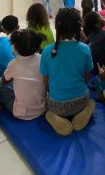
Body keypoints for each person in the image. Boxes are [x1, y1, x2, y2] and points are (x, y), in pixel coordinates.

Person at [40, 8, 95, 136]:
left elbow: (46, 84)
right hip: (81, 101)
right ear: (78, 28)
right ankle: (86, 110)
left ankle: (52, 115)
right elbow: (87, 79)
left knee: (48, 108)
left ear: (57, 26)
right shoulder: (85, 49)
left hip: (56, 105)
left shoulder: (47, 51)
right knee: (91, 102)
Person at [0, 29, 47, 120]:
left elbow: (4, 80)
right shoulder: (43, 59)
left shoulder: (13, 64)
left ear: (15, 47)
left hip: (21, 113)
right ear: (39, 47)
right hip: (43, 108)